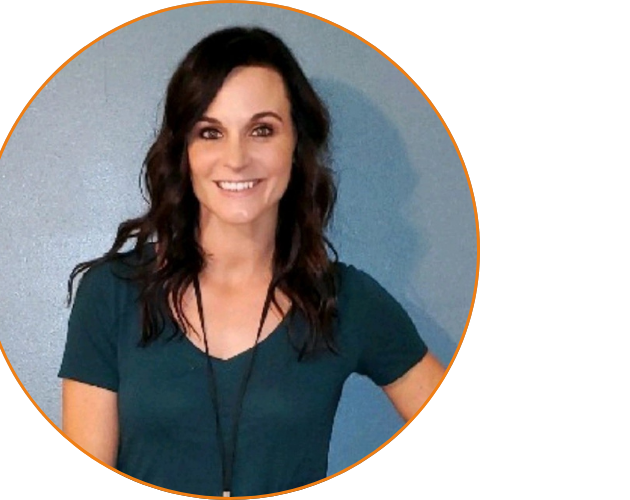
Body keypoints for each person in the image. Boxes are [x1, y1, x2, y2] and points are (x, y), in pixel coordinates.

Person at [59, 26, 445, 497]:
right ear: (185, 150)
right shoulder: (112, 293)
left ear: (296, 145)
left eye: (261, 130)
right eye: (210, 132)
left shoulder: (346, 301)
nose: (236, 158)